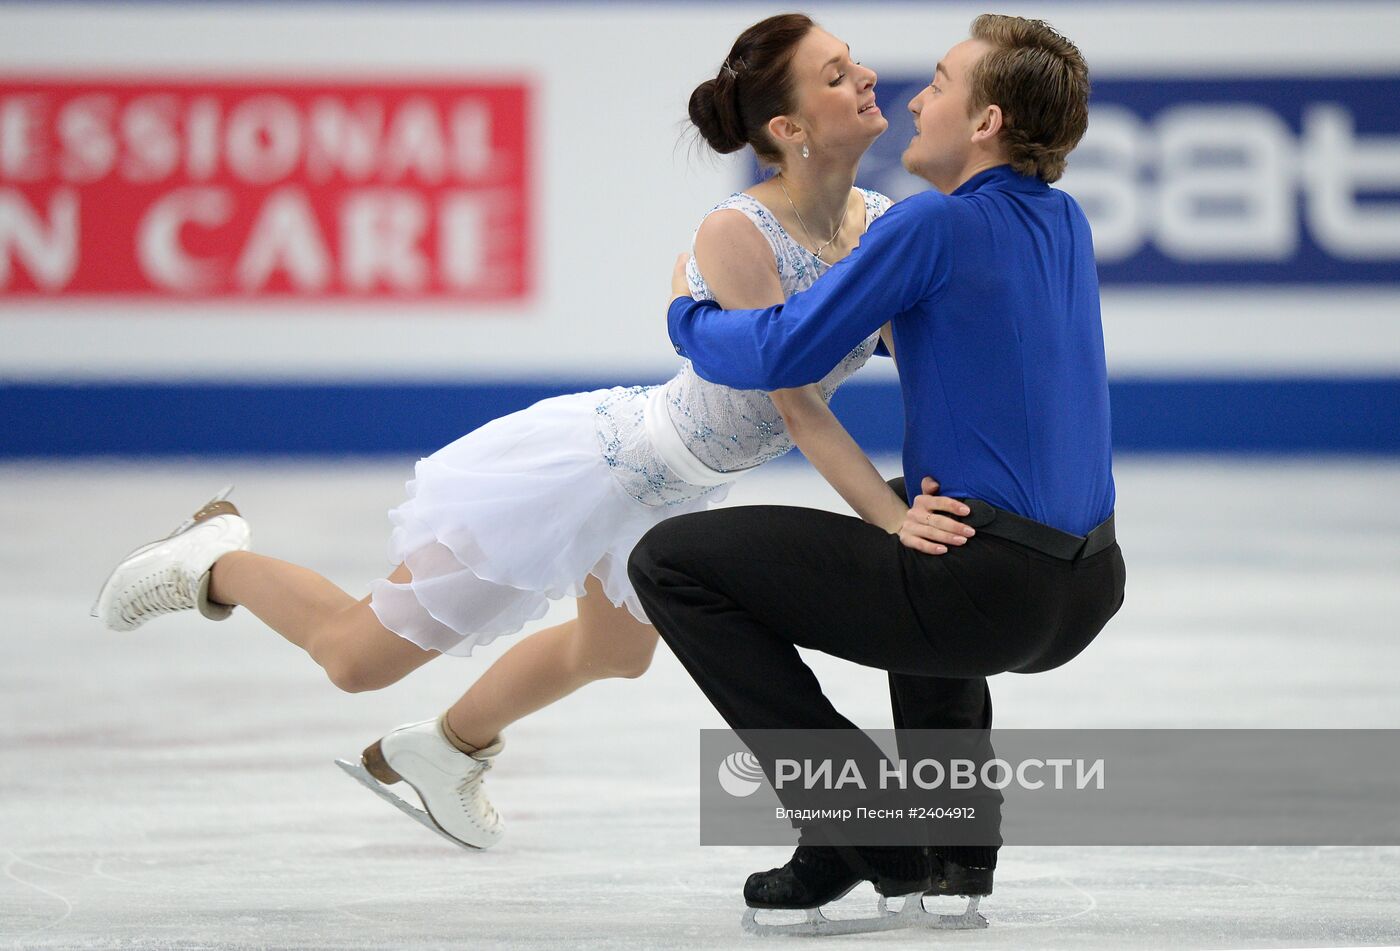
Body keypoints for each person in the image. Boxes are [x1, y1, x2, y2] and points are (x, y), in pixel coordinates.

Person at [90, 14, 974, 852]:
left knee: (615, 653)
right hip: (599, 467)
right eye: (836, 72)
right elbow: (796, 405)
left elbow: (925, 346)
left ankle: (445, 747)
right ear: (788, 127)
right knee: (358, 660)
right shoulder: (737, 232)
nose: (865, 75)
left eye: (851, 57)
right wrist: (888, 518)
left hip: (678, 491)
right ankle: (216, 557)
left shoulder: (879, 226)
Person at [628, 13, 1127, 936]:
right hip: (1088, 584)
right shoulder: (1061, 220)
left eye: (939, 82)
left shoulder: (933, 224)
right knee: (915, 510)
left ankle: (859, 821)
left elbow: (782, 349)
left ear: (984, 123)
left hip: (992, 592)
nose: (912, 99)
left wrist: (687, 315)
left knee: (670, 563)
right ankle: (955, 850)